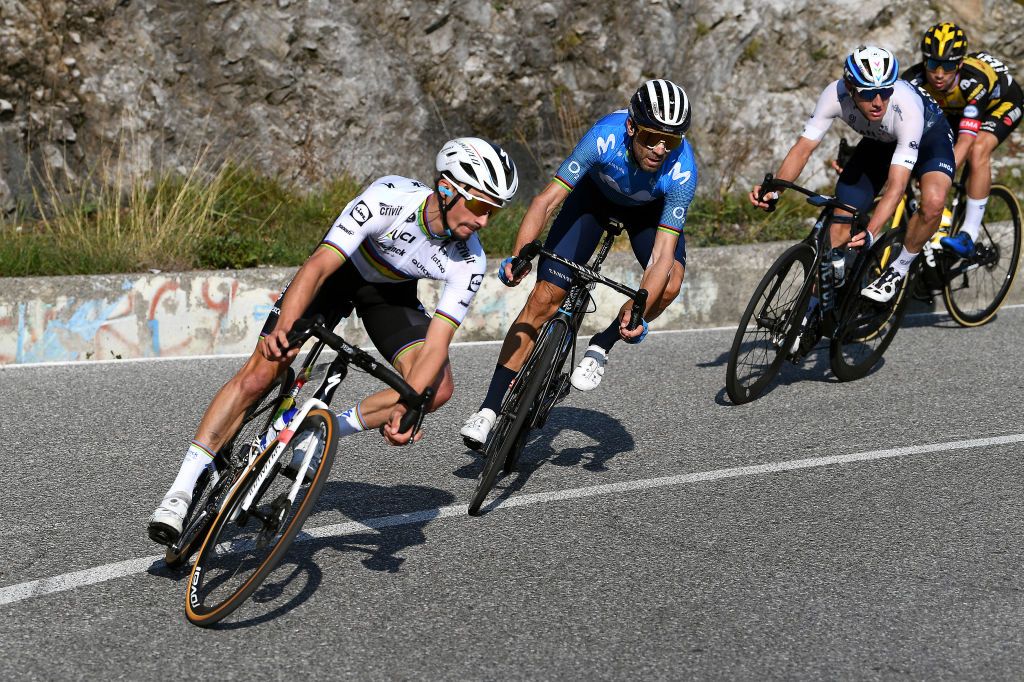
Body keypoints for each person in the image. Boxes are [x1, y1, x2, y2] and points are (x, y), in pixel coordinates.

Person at [148, 137, 519, 545]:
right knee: (261, 373)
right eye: (482, 206)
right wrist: (283, 329)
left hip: (389, 296)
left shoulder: (470, 260)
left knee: (436, 389)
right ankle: (180, 493)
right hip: (340, 271)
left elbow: (436, 344)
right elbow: (319, 266)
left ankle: (322, 432)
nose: (485, 222)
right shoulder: (387, 199)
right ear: (447, 189)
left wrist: (411, 407)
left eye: (494, 212)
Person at [460, 79, 697, 448]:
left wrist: (639, 306)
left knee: (671, 283)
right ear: (632, 127)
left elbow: (662, 255)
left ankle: (601, 345)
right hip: (592, 201)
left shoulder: (681, 169)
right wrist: (520, 255)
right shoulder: (604, 137)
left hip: (648, 215)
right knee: (543, 298)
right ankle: (488, 410)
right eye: (651, 137)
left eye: (672, 140)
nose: (661, 148)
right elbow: (544, 201)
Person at [749, 45, 955, 304]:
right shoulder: (834, 96)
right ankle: (816, 308)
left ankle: (898, 269)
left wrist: (871, 232)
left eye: (885, 92)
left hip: (929, 138)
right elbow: (803, 149)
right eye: (868, 94)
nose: (878, 102)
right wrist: (775, 190)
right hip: (880, 141)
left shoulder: (907, 109)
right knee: (840, 219)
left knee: (934, 202)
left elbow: (896, 187)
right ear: (849, 88)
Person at [903, 22, 1023, 258]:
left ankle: (968, 233)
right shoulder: (913, 79)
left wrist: (940, 176)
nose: (938, 74)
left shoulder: (973, 81)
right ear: (924, 61)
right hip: (956, 109)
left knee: (978, 148)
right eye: (933, 64)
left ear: (959, 64)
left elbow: (966, 142)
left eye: (947, 66)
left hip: (1002, 104)